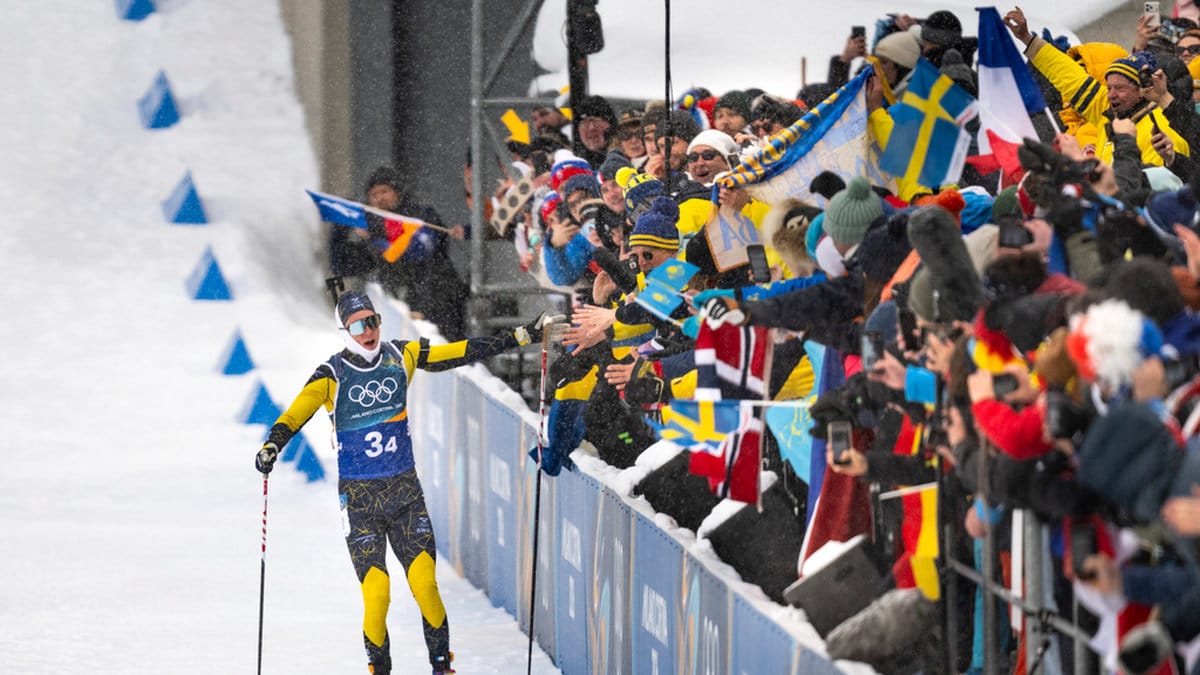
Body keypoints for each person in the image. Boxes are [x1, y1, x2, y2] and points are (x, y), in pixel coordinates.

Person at [254, 290, 557, 675]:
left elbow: (458, 352)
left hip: (405, 496)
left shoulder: (402, 355)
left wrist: (520, 336)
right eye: (359, 326)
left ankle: (441, 667)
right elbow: (295, 414)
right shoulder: (332, 375)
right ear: (344, 332)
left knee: (426, 587)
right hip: (360, 502)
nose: (369, 332)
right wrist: (272, 445)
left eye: (373, 321)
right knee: (377, 595)